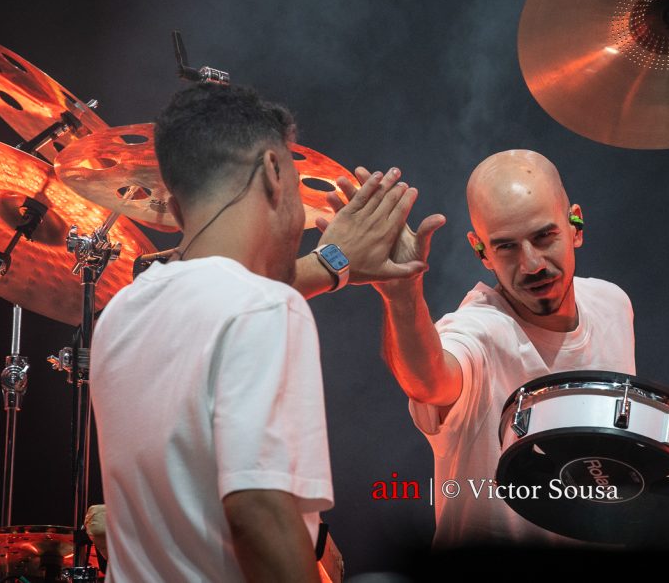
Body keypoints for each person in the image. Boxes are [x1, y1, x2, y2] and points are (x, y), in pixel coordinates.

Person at [90, 83, 427, 582]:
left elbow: (218, 291)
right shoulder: (266, 308)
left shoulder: (120, 313)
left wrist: (334, 261)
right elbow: (259, 517)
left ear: (176, 209)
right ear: (273, 171)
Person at [332, 149, 636, 547]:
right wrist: (402, 295)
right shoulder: (480, 330)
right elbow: (428, 381)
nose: (531, 264)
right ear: (481, 252)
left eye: (544, 237)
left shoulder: (612, 303)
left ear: (575, 225)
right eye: (506, 247)